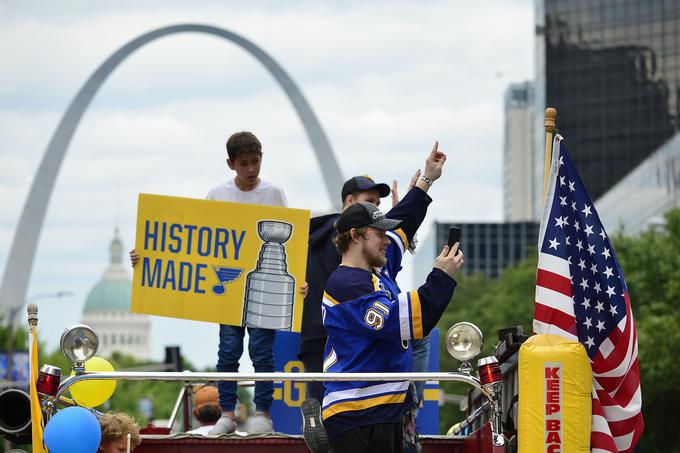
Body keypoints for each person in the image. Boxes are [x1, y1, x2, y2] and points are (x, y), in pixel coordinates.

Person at [131, 131, 306, 434]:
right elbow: (195, 244)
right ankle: (228, 412)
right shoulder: (217, 193)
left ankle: (262, 412)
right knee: (228, 350)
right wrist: (144, 256)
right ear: (230, 164)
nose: (251, 170)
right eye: (244, 164)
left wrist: (300, 280)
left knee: (262, 352)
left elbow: (291, 242)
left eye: (255, 162)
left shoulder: (274, 193)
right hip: (229, 292)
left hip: (264, 286)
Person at [321, 143, 464, 453]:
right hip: (356, 414)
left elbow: (403, 221)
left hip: (382, 410)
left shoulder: (378, 272)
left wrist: (427, 179)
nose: (388, 240)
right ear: (357, 236)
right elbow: (413, 321)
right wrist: (441, 277)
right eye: (379, 234)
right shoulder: (346, 283)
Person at [299, 174, 417, 453]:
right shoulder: (338, 246)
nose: (379, 209)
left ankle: (408, 416)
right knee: (336, 401)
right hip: (332, 338)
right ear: (350, 203)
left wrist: (420, 190)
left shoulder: (369, 245)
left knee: (411, 344)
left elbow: (395, 240)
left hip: (355, 335)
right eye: (371, 203)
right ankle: (321, 421)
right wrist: (297, 288)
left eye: (380, 203)